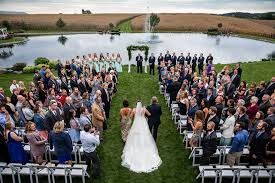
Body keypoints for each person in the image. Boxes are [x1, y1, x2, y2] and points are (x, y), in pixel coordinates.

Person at [121, 101, 162, 173]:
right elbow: (149, 114)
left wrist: (135, 115)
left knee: (135, 135)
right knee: (145, 134)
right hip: (143, 123)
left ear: (136, 105)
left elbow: (131, 117)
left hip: (136, 123)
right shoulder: (144, 108)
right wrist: (144, 115)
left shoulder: (134, 109)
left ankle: (137, 146)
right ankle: (144, 146)